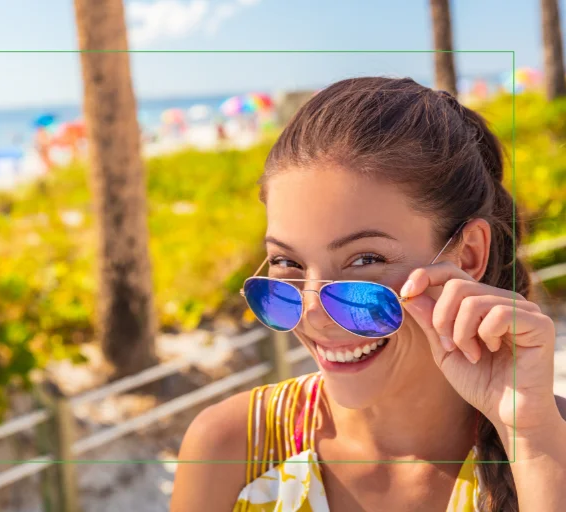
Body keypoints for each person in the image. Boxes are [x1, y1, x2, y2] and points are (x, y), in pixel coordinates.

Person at [170, 77, 566, 512]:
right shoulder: (231, 448)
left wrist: (531, 444)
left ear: (468, 256)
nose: (315, 312)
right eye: (288, 264)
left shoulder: (546, 437)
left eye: (364, 260)